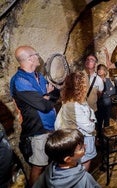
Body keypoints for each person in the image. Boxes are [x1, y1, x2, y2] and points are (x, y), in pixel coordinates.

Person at [10, 45, 59, 186]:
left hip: (51, 127)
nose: (38, 57)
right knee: (38, 166)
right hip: (38, 130)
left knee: (50, 162)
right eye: (36, 54)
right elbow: (43, 106)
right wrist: (47, 96)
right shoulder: (19, 81)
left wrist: (46, 96)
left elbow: (56, 94)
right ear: (30, 58)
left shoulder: (39, 76)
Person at [54, 71, 97, 171]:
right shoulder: (74, 105)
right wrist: (91, 119)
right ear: (81, 86)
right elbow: (90, 127)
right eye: (86, 83)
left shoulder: (72, 98)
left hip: (78, 136)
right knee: (85, 162)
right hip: (82, 138)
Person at [33, 128, 101, 188]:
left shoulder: (49, 170)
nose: (85, 146)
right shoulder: (84, 179)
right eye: (81, 148)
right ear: (68, 159)